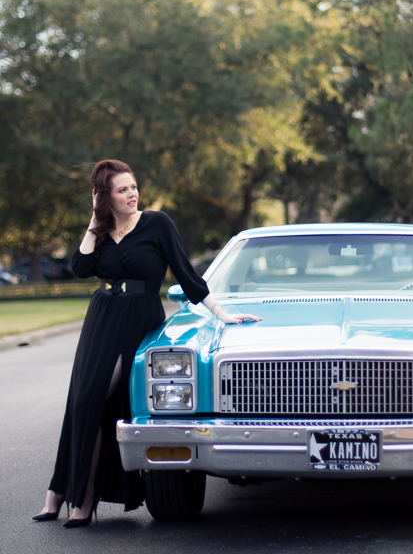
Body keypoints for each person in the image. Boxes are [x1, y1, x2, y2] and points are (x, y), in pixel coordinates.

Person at [33, 159, 260, 527]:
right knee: (83, 400)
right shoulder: (102, 229)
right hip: (102, 319)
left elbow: (186, 273)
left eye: (133, 187)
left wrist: (221, 313)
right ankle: (68, 492)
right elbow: (80, 267)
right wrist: (94, 219)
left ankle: (77, 494)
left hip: (138, 319)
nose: (132, 194)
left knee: (96, 399)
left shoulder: (157, 223)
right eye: (122, 190)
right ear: (105, 197)